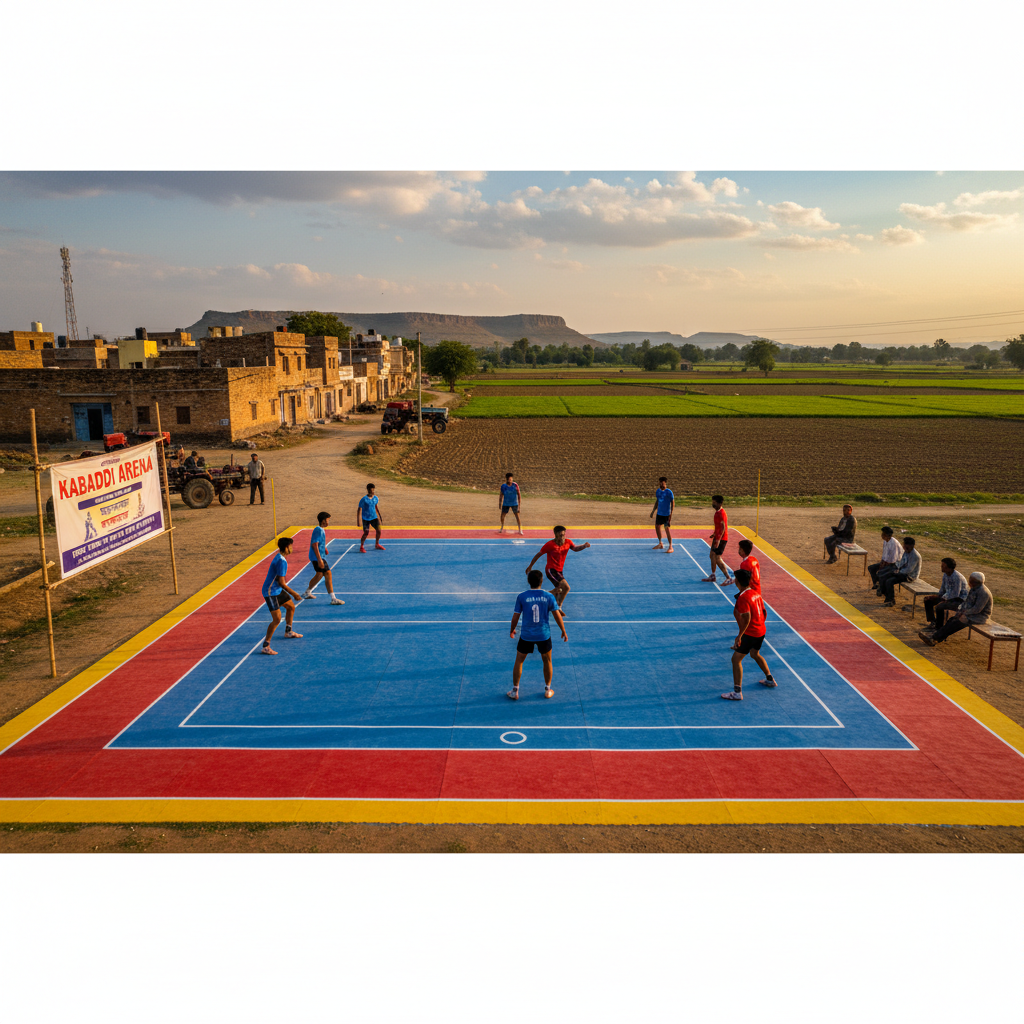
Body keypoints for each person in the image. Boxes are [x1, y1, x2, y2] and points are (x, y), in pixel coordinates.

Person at [507, 568, 567, 700]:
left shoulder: (522, 596)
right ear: (541, 581)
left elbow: (515, 616)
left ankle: (515, 691)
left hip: (526, 635)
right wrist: (563, 630)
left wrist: (512, 629)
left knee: (519, 661)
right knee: (547, 661)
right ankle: (548, 689)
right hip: (543, 635)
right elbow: (557, 615)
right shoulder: (548, 596)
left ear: (528, 581)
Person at [722, 568, 776, 700]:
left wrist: (740, 636)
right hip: (761, 630)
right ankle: (770, 679)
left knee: (736, 660)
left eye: (735, 579)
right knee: (754, 654)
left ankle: (737, 692)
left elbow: (746, 618)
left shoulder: (743, 597)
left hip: (751, 633)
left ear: (738, 582)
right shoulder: (755, 593)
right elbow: (764, 612)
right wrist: (760, 625)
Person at [525, 525, 590, 616]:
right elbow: (538, 555)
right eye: (560, 535)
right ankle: (559, 606)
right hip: (551, 570)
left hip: (559, 571)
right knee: (566, 587)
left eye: (563, 535)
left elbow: (575, 548)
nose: (562, 537)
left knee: (560, 589)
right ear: (555, 535)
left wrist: (584, 546)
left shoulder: (568, 542)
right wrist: (530, 566)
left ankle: (543, 596)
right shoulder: (550, 545)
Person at [920, 572, 992, 646]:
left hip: (980, 616)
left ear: (976, 582)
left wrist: (964, 613)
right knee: (952, 619)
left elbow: (977, 609)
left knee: (957, 622)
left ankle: (935, 639)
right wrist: (960, 611)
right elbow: (967, 603)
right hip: (970, 613)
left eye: (971, 581)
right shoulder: (974, 589)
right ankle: (936, 636)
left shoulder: (983, 592)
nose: (969, 582)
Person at [261, 536, 303, 654]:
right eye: (291, 546)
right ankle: (266, 646)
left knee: (291, 607)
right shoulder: (281, 561)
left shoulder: (280, 557)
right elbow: (281, 582)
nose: (292, 548)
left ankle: (288, 631)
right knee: (277, 619)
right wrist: (294, 593)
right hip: (271, 592)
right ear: (286, 547)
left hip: (277, 590)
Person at [303, 511, 345, 605]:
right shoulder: (318, 530)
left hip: (318, 556)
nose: (328, 522)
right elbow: (314, 544)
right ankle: (333, 599)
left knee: (319, 574)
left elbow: (318, 542)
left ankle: (307, 592)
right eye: (328, 520)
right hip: (317, 557)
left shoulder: (320, 529)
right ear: (323, 521)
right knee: (328, 573)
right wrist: (319, 560)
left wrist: (325, 548)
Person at [921, 557, 967, 633]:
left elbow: (955, 595)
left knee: (940, 607)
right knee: (928, 600)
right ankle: (933, 622)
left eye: (943, 566)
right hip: (947, 597)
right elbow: (942, 589)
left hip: (958, 600)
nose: (941, 567)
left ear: (949, 568)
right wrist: (937, 597)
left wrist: (942, 600)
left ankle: (939, 628)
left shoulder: (957, 577)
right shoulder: (945, 575)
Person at [879, 536, 921, 607]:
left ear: (912, 546)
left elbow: (909, 570)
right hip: (902, 573)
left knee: (889, 580)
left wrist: (898, 572)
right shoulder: (906, 552)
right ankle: (886, 595)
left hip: (910, 576)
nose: (904, 548)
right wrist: (896, 568)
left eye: (906, 547)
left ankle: (891, 600)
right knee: (885, 576)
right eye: (904, 546)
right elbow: (901, 562)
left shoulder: (915, 556)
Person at [701, 495, 733, 584]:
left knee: (717, 557)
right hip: (717, 538)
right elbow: (718, 526)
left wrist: (718, 540)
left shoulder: (721, 513)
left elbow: (723, 528)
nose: (713, 504)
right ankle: (713, 575)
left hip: (721, 539)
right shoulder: (717, 513)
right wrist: (715, 534)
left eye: (714, 503)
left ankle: (728, 577)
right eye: (713, 502)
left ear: (720, 503)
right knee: (712, 555)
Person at [868, 526, 900, 590]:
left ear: (887, 535)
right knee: (871, 568)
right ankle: (876, 584)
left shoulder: (893, 543)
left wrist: (882, 566)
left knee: (881, 572)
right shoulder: (885, 541)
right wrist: (881, 563)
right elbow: (884, 555)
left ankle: (881, 587)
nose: (882, 535)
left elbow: (892, 560)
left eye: (883, 534)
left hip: (895, 565)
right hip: (887, 562)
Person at [357, 483, 385, 553]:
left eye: (373, 490)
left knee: (379, 530)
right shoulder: (364, 499)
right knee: (366, 532)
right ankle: (361, 546)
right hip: (365, 519)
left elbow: (376, 507)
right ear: (368, 490)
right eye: (370, 490)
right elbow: (359, 509)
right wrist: (358, 521)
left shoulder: (376, 498)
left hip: (374, 517)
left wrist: (379, 517)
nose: (372, 491)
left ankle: (377, 544)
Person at [649, 476, 674, 552]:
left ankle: (670, 546)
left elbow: (672, 503)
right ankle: (660, 543)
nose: (661, 484)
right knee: (657, 526)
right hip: (659, 513)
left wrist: (671, 514)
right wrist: (653, 511)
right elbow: (657, 501)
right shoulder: (658, 491)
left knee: (667, 529)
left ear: (665, 483)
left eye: (662, 483)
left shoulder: (669, 492)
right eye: (660, 483)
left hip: (666, 515)